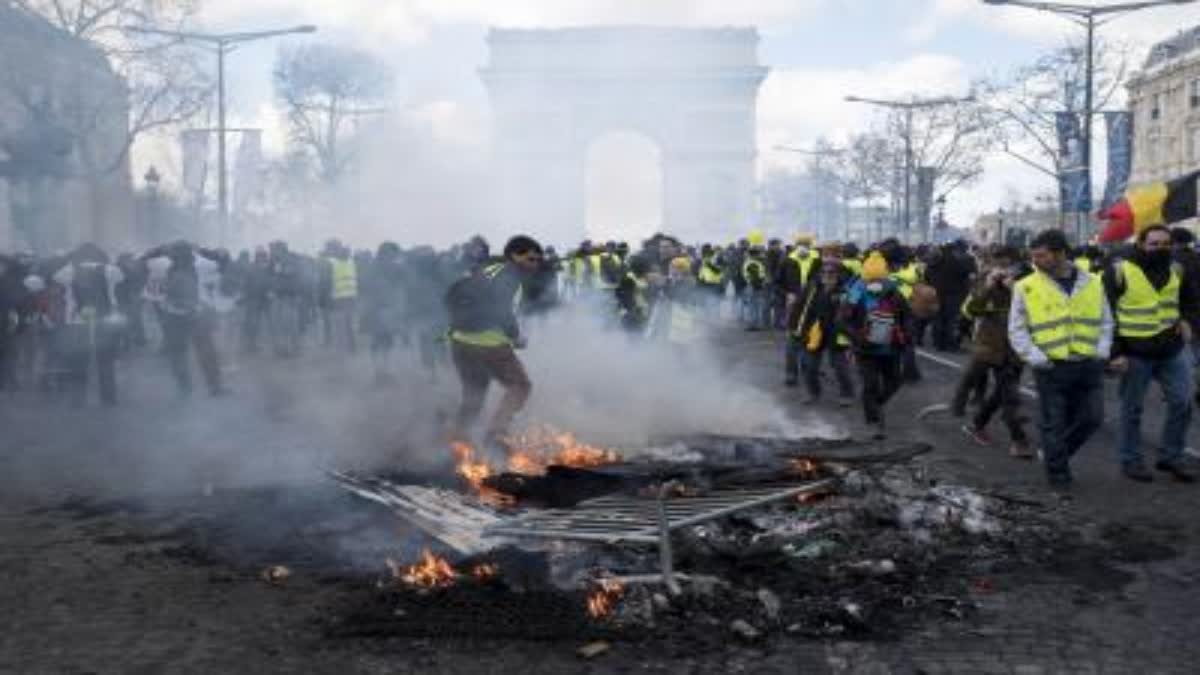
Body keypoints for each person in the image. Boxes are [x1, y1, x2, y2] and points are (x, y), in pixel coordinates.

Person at [1010, 229, 1113, 490]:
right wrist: (1036, 357)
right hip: (1051, 366)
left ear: (1061, 253)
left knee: (1093, 418)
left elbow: (1106, 321)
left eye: (1041, 255)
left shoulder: (1093, 282)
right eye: (1033, 256)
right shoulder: (1026, 286)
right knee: (1053, 423)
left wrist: (1102, 351)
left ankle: (1055, 454)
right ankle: (1058, 476)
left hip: (1088, 364)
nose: (1036, 261)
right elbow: (1017, 328)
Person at [1104, 225, 1197, 482]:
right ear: (1141, 244)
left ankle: (1171, 456)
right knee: (1132, 409)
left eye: (1165, 244)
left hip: (1171, 347)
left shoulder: (1177, 268)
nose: (1160, 248)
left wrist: (1188, 320)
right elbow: (1106, 314)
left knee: (1183, 401)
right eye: (1154, 244)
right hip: (1134, 352)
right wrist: (1114, 353)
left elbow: (1190, 300)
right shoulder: (1119, 270)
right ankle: (1131, 461)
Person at [445, 235, 543, 448]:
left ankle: (458, 439)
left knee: (475, 392)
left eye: (537, 260)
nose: (535, 265)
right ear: (515, 255)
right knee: (520, 385)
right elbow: (501, 310)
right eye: (531, 259)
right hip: (488, 344)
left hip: (460, 341)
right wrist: (516, 336)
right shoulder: (510, 275)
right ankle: (496, 435)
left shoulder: (488, 269)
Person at [959, 246, 1031, 458]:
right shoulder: (986, 278)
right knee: (1009, 395)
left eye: (1006, 264)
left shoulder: (1028, 280)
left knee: (1002, 392)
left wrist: (1015, 289)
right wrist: (989, 286)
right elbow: (971, 309)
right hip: (993, 345)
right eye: (997, 263)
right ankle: (1019, 440)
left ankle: (977, 423)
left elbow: (1036, 309)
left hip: (1018, 345)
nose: (1001, 269)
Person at [839, 251, 913, 439]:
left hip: (891, 348)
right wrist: (857, 337)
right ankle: (874, 423)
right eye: (870, 280)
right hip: (865, 349)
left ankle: (876, 404)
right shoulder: (856, 291)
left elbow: (907, 317)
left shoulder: (895, 291)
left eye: (879, 280)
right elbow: (842, 320)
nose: (875, 285)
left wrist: (906, 337)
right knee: (870, 384)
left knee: (895, 382)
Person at [51, 243, 124, 407]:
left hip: (77, 319)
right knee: (105, 360)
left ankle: (78, 398)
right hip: (105, 318)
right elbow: (121, 278)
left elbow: (56, 278)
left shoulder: (68, 271)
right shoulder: (110, 270)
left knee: (79, 359)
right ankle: (109, 398)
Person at [796, 259, 855, 406]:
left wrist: (852, 337)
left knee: (840, 367)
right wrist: (798, 330)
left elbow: (854, 315)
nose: (827, 275)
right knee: (809, 366)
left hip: (837, 333)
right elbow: (801, 309)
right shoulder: (812, 288)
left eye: (831, 272)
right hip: (815, 332)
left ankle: (847, 394)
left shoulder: (846, 291)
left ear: (838, 274)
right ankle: (813, 393)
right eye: (824, 272)